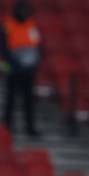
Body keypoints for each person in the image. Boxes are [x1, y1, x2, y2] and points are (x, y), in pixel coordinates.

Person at [0, 0, 41, 136]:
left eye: (26, 10)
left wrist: (33, 62)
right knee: (10, 99)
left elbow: (38, 45)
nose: (24, 13)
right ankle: (7, 127)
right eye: (22, 10)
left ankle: (30, 128)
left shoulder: (31, 25)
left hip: (28, 69)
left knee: (28, 100)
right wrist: (14, 62)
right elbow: (3, 48)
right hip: (13, 68)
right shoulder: (7, 25)